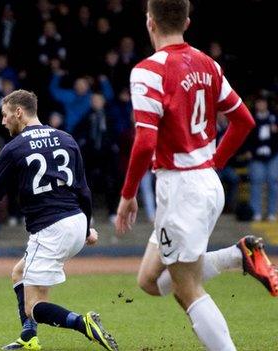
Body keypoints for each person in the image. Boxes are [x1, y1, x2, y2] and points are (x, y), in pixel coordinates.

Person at [114, 1, 278, 350]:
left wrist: (127, 195)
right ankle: (239, 255)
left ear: (149, 23)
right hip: (203, 182)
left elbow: (144, 143)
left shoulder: (147, 71)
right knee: (148, 280)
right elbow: (243, 120)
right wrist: (215, 162)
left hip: (180, 187)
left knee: (185, 289)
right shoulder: (209, 64)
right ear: (187, 21)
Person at [0, 90, 118, 351]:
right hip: (75, 220)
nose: (3, 121)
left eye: (5, 115)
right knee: (19, 272)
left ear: (19, 112)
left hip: (51, 228)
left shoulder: (14, 148)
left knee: (33, 307)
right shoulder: (66, 138)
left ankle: (83, 323)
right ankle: (29, 338)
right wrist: (87, 228)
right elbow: (84, 191)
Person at [246, 96, 278, 221]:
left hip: (273, 155)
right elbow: (246, 135)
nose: (261, 105)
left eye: (263, 102)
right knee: (256, 183)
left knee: (273, 183)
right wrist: (248, 150)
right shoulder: (251, 118)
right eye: (258, 102)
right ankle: (256, 212)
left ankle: (271, 212)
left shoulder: (274, 117)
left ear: (266, 104)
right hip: (256, 156)